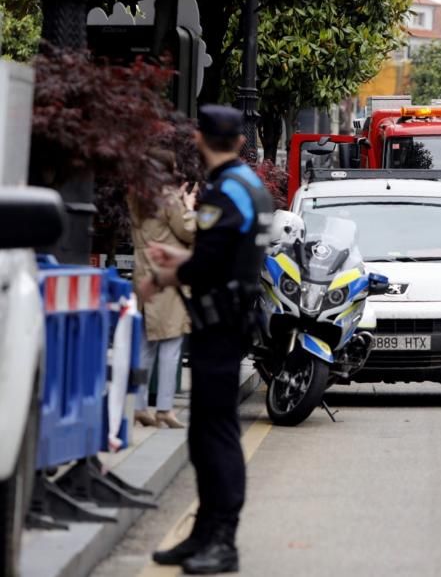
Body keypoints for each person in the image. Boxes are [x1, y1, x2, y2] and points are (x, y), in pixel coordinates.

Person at [138, 105, 273, 575]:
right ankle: (204, 531)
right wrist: (180, 258)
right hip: (227, 320)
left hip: (220, 324)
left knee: (215, 436)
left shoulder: (225, 192)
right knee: (204, 434)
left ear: (200, 140)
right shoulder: (249, 186)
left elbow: (208, 264)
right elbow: (220, 252)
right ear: (238, 142)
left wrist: (164, 274)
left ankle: (222, 540)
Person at [128, 149, 197, 430]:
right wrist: (188, 204)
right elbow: (188, 231)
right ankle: (165, 409)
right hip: (165, 274)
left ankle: (139, 405)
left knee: (145, 345)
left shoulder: (136, 196)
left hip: (143, 270)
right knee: (170, 344)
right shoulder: (169, 199)